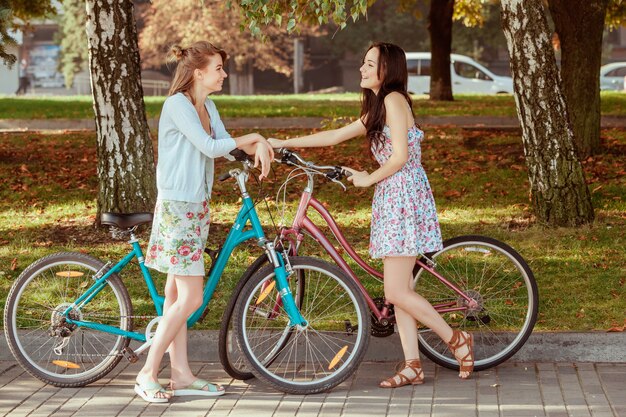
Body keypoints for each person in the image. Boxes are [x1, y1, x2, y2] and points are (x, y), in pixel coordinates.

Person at [268, 42, 474, 388]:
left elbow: (400, 158)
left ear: (386, 70)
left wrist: (366, 179)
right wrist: (281, 143)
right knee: (401, 289)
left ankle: (456, 339)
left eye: (368, 64)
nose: (361, 69)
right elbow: (335, 136)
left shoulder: (394, 100)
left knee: (394, 291)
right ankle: (413, 366)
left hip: (403, 197)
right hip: (394, 197)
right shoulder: (380, 105)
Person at [134, 41, 274, 403]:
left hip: (195, 204)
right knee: (191, 297)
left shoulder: (207, 106)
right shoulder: (177, 105)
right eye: (218, 68)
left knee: (176, 295)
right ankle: (148, 373)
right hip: (178, 206)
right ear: (198, 72)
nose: (223, 74)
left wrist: (260, 147)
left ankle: (180, 374)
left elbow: (226, 145)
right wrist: (256, 136)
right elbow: (209, 147)